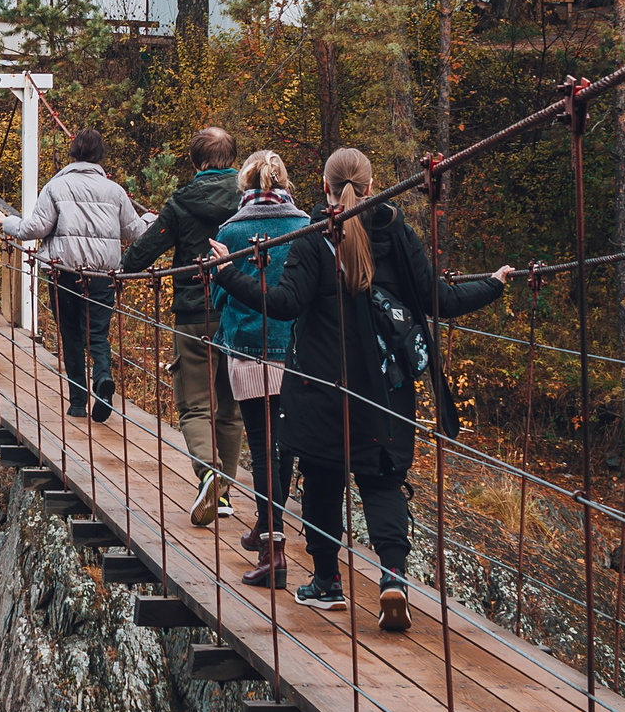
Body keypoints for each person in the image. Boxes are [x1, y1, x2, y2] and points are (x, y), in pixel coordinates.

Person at [210, 147, 511, 632]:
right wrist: (493, 284)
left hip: (319, 389)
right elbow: (439, 300)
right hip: (385, 393)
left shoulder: (313, 239)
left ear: (324, 187)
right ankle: (393, 579)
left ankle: (327, 584)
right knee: (383, 482)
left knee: (323, 478)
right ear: (372, 187)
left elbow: (283, 304)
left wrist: (229, 273)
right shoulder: (398, 233)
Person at [119, 126, 247, 518]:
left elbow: (143, 251)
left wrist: (119, 274)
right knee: (231, 408)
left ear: (195, 162)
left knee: (195, 406)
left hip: (194, 315)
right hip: (238, 310)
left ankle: (209, 474)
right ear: (232, 158)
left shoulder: (181, 203)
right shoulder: (248, 199)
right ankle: (222, 495)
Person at [0, 128, 151, 419]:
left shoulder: (56, 187)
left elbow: (35, 229)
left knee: (70, 335)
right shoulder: (114, 190)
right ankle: (102, 377)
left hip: (64, 272)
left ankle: (78, 402)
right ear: (100, 155)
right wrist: (153, 218)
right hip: (103, 274)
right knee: (97, 334)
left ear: (72, 153)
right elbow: (135, 232)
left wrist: (9, 223)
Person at [210, 150, 309, 576]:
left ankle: (273, 550)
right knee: (282, 444)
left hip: (248, 348)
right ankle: (267, 526)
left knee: (260, 446)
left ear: (245, 186)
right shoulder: (308, 227)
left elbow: (220, 296)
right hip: (294, 350)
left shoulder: (229, 232)